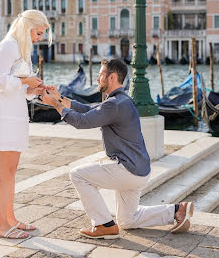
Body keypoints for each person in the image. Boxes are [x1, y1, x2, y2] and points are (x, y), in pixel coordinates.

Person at [40, 58, 194, 239]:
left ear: (111, 77)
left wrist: (56, 105)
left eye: (100, 75)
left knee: (78, 175)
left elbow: (82, 121)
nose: (97, 79)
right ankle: (176, 210)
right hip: (140, 171)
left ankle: (103, 225)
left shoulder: (113, 104)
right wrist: (59, 98)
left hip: (127, 170)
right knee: (127, 220)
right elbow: (89, 110)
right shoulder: (120, 100)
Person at [0, 10, 52, 239]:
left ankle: (10, 219)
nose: (39, 39)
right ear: (28, 28)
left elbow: (18, 87)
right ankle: (0, 226)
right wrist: (25, 80)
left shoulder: (22, 50)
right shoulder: (8, 46)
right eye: (38, 33)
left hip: (13, 114)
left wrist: (32, 89)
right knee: (3, 173)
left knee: (11, 172)